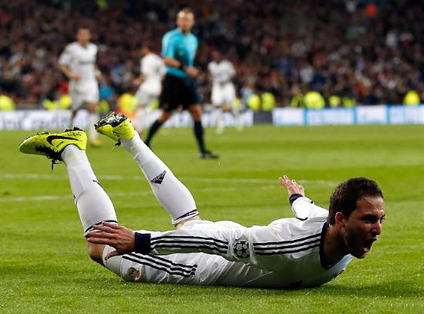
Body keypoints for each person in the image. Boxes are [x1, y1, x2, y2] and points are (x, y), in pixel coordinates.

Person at [18, 112, 384, 289]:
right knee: (101, 246)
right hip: (203, 262)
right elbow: (213, 243)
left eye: (379, 219)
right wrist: (141, 241)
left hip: (235, 239)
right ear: (340, 219)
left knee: (188, 218)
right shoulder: (290, 246)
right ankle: (70, 149)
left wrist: (296, 199)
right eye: (368, 220)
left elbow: (310, 211)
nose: (376, 229)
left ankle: (129, 136)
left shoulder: (334, 229)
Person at [144, 8, 218, 159]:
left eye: (188, 20)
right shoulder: (171, 37)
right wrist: (186, 68)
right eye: (182, 19)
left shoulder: (193, 39)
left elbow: (189, 61)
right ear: (178, 21)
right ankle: (146, 143)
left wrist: (191, 71)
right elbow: (166, 59)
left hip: (187, 82)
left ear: (192, 22)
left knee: (197, 112)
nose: (185, 22)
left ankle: (203, 151)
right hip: (173, 80)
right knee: (165, 116)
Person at [59, 28, 103, 147]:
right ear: (77, 36)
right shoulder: (71, 49)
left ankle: (94, 138)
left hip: (90, 83)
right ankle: (69, 128)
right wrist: (71, 75)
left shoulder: (93, 48)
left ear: (89, 36)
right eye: (81, 34)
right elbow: (62, 65)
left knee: (93, 107)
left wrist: (97, 72)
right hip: (77, 84)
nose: (84, 37)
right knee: (75, 109)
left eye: (86, 35)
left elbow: (93, 63)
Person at [133, 43, 166, 135]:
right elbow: (163, 74)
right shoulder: (159, 59)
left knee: (139, 106)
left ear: (146, 49)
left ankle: (139, 129)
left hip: (147, 87)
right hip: (157, 87)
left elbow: (145, 75)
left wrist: (137, 81)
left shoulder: (146, 60)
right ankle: (153, 125)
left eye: (143, 49)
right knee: (147, 107)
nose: (142, 51)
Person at [208, 50, 240, 133]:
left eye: (217, 56)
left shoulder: (227, 64)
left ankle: (237, 121)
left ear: (220, 56)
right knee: (217, 104)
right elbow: (211, 76)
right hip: (217, 86)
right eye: (214, 56)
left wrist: (226, 80)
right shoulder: (211, 65)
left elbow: (234, 74)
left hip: (227, 85)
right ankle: (220, 125)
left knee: (232, 104)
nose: (216, 58)